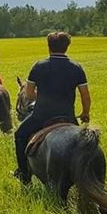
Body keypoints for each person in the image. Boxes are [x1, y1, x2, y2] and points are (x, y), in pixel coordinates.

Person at [13, 31, 91, 182]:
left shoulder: (38, 66)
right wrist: (85, 112)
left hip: (41, 116)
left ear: (49, 47)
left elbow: (28, 95)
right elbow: (85, 96)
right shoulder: (77, 68)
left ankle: (23, 174)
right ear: (66, 47)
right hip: (68, 116)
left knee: (19, 135)